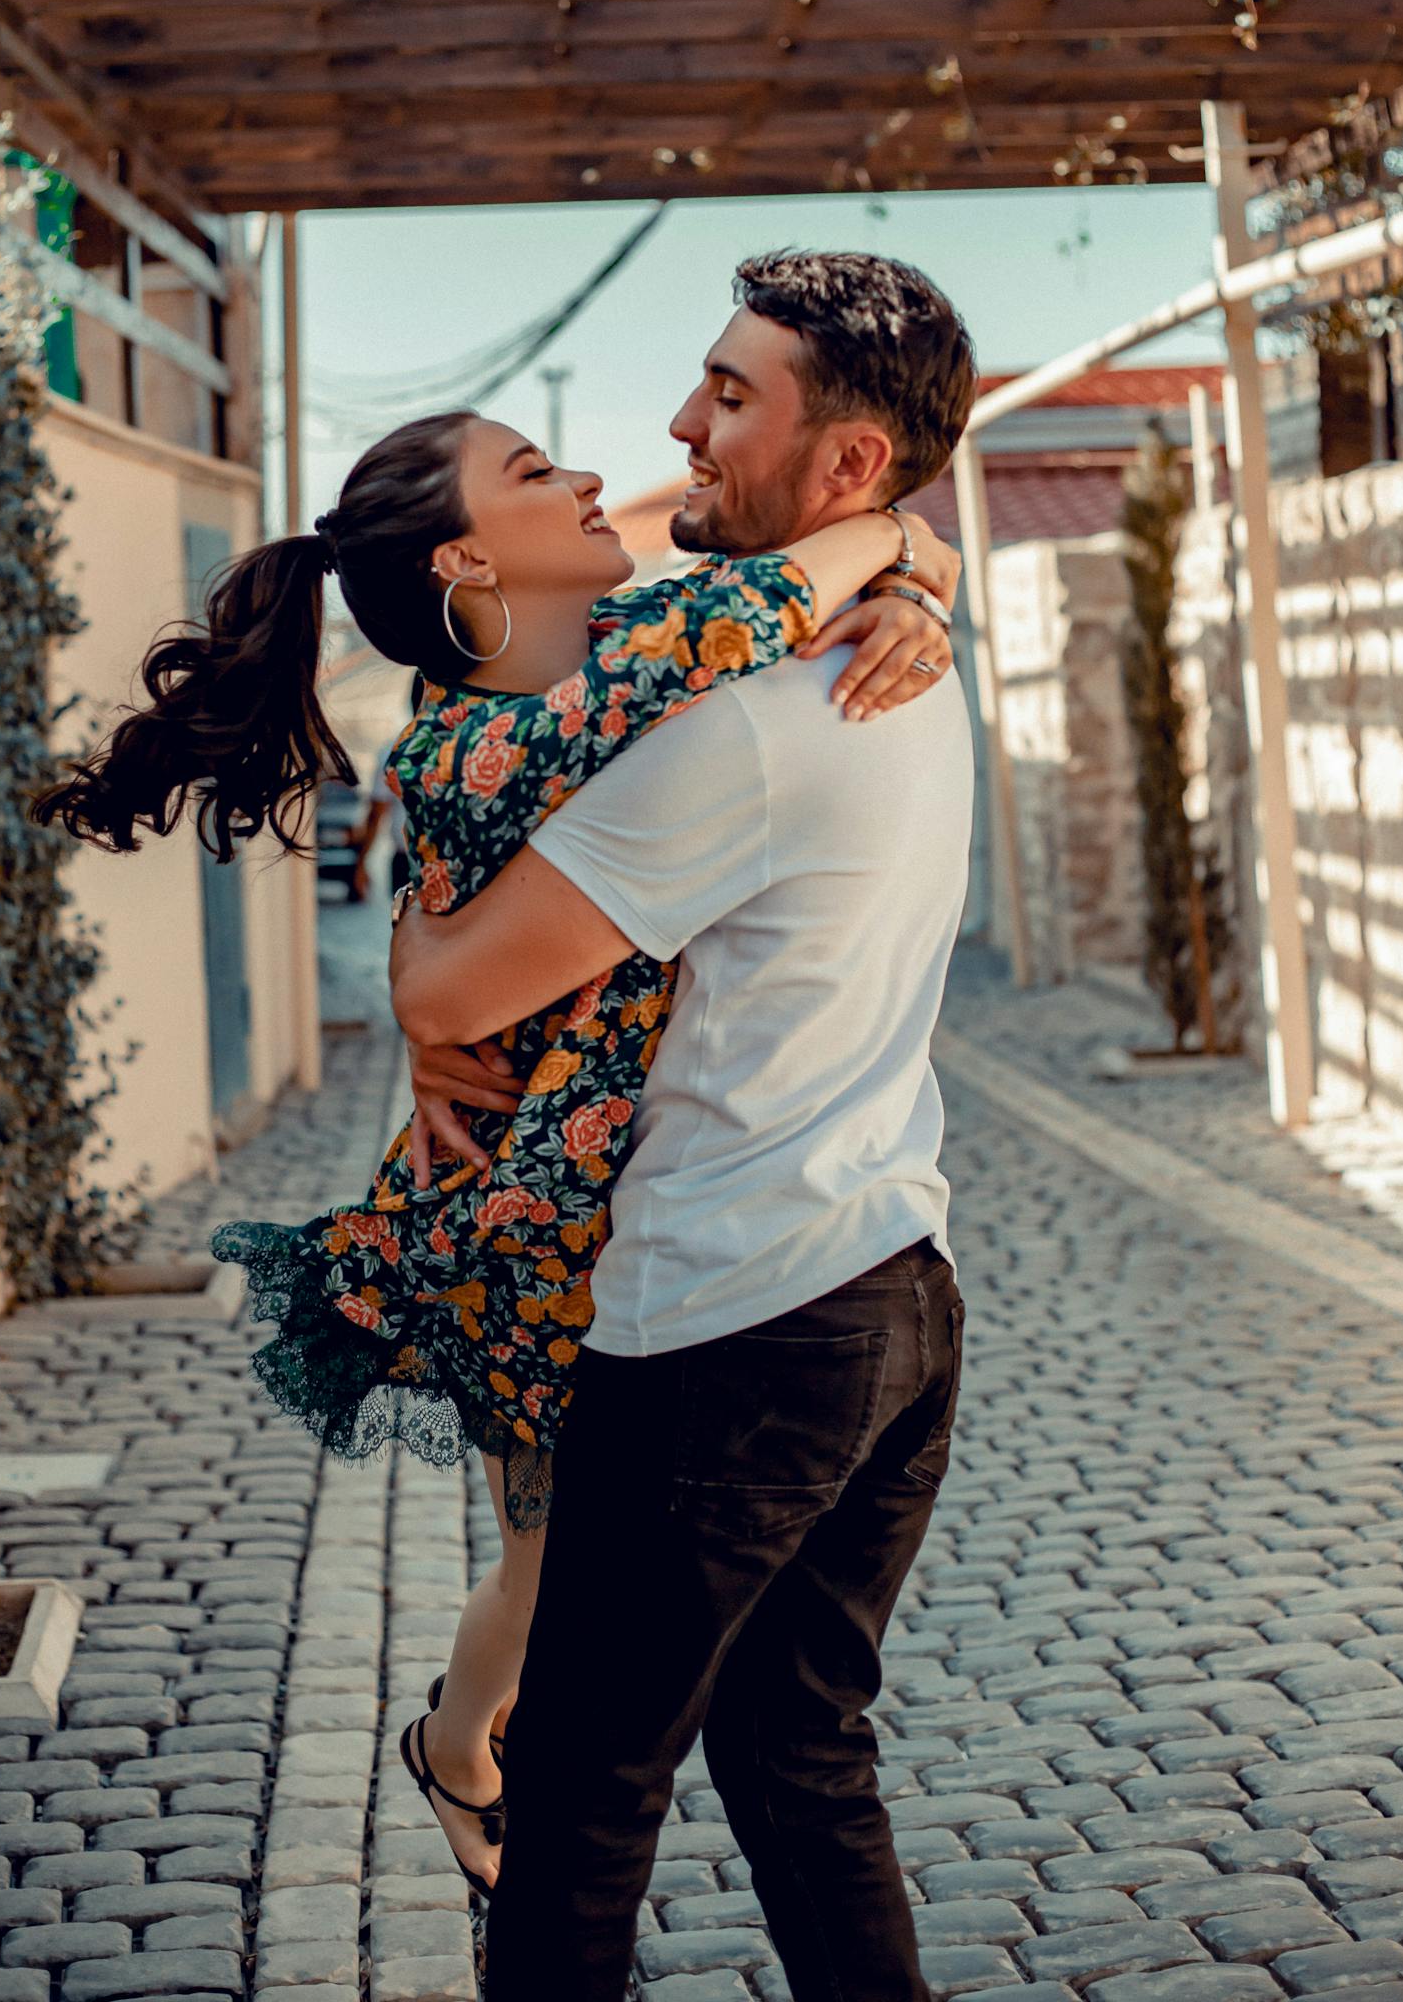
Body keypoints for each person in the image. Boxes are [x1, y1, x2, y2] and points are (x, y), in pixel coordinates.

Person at [27, 313, 960, 1904]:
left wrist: (913, 588)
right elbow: (752, 602)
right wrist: (891, 534)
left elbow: (743, 595)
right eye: (538, 471)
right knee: (551, 1571)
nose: (595, 469)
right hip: (529, 1228)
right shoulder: (501, 736)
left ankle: (470, 1754)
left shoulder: (596, 666)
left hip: (584, 1203)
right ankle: (465, 1755)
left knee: (559, 1569)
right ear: (468, 566)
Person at [388, 249, 976, 2002]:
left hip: (734, 1320)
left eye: (730, 396)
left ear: (849, 459)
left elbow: (448, 996)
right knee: (800, 1764)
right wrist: (901, 559)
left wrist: (425, 970)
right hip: (896, 1291)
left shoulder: (744, 730)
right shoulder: (902, 673)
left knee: (575, 1792)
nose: (676, 426)